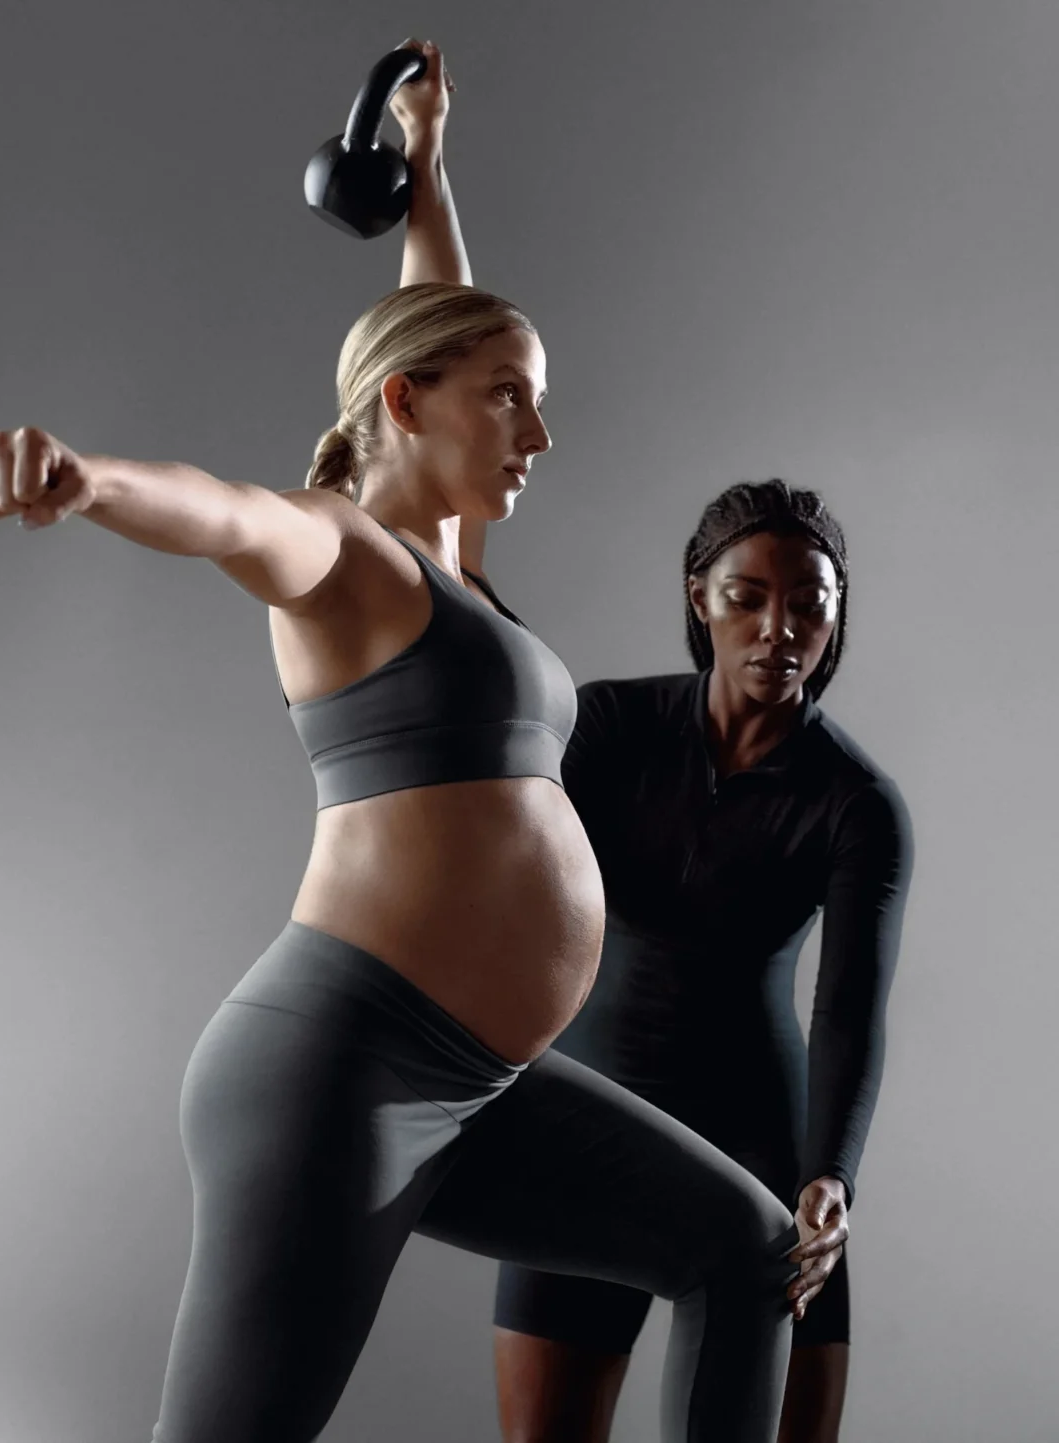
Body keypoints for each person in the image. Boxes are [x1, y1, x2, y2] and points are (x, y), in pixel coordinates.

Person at [0, 51, 811, 1443]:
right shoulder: (341, 547)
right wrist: (89, 482)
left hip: (476, 1082)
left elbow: (440, 318)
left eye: (534, 399)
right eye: (508, 398)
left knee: (747, 1248)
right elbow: (226, 512)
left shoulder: (449, 559)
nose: (538, 431)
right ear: (407, 405)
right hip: (338, 1072)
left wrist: (427, 158)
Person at [384, 42, 914, 1443]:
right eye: (749, 595)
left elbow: (852, 1008)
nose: (779, 624)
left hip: (771, 1150)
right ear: (701, 597)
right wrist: (429, 171)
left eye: (809, 604)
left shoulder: (857, 805)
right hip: (591, 1125)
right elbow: (454, 563)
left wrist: (832, 1175)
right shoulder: (611, 727)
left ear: (834, 623)